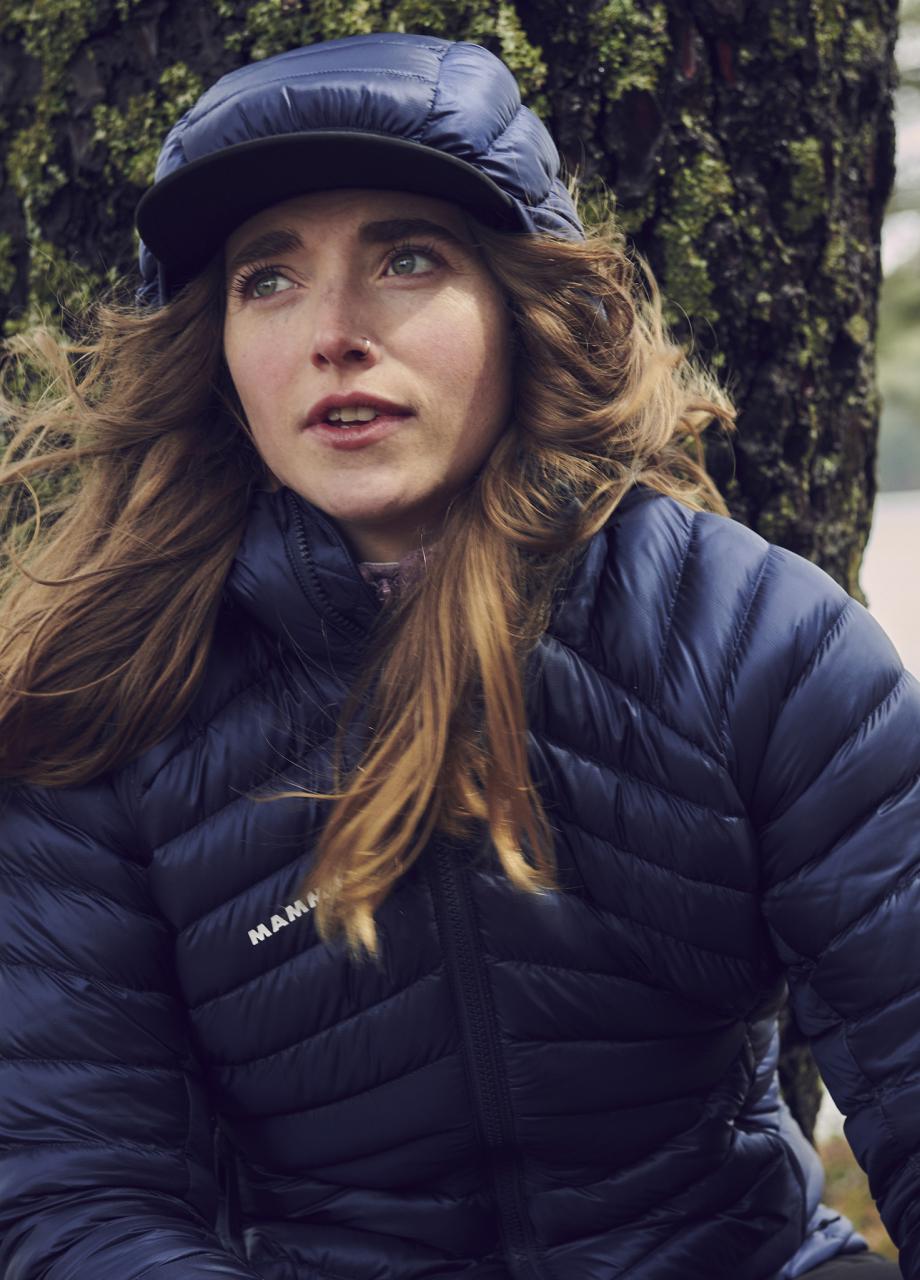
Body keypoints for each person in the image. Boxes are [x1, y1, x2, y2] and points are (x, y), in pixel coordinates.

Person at [0, 30, 916, 1280]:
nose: (333, 332)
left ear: (522, 307)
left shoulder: (753, 637)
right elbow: (74, 1194)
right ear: (215, 349)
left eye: (408, 258)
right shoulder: (105, 700)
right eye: (268, 278)